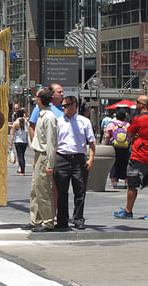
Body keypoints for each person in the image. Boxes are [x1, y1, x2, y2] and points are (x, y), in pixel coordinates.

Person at [113, 95, 148, 221]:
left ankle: (128, 211)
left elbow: (128, 134)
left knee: (132, 185)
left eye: (137, 102)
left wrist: (134, 136)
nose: (135, 104)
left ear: (143, 105)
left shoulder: (138, 119)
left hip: (139, 156)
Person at [53, 95, 96, 230]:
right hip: (62, 158)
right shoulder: (58, 121)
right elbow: (54, 142)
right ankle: (62, 220)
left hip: (78, 159)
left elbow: (92, 142)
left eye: (66, 105)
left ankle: (78, 218)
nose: (63, 108)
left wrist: (91, 159)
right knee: (61, 191)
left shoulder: (84, 122)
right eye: (62, 106)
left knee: (80, 191)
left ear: (74, 105)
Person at [22, 87, 57, 232]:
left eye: (37, 96)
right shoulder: (41, 115)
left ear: (41, 100)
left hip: (44, 155)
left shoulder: (49, 117)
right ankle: (35, 219)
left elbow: (51, 142)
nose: (35, 98)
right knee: (35, 189)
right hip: (38, 155)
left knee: (43, 190)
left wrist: (50, 163)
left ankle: (48, 221)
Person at [106, 110, 130, 189]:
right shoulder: (128, 125)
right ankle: (126, 182)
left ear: (116, 116)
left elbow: (107, 136)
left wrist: (106, 145)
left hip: (114, 146)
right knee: (125, 164)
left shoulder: (111, 124)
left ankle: (114, 183)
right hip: (125, 147)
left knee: (114, 164)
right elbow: (130, 136)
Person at [9, 109, 28, 175]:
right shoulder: (25, 121)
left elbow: (13, 134)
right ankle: (22, 169)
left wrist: (11, 144)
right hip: (25, 141)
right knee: (22, 156)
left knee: (20, 156)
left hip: (18, 141)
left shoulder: (16, 122)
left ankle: (22, 171)